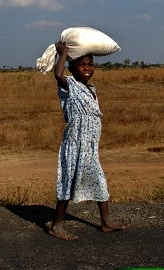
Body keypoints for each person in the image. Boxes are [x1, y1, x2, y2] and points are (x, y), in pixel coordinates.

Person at [48, 41, 128, 240]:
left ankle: (106, 222)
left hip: (90, 146)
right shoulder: (69, 85)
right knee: (68, 182)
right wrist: (63, 54)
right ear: (72, 68)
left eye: (90, 64)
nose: (87, 68)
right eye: (82, 64)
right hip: (75, 145)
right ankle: (57, 225)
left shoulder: (91, 88)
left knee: (99, 181)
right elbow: (57, 75)